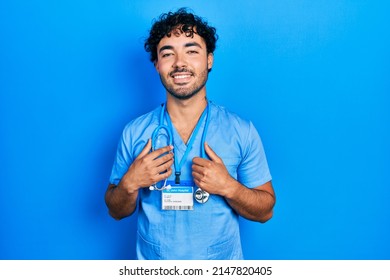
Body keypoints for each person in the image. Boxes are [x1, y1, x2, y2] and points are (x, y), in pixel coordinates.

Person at [105, 8, 276, 260]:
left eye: (191, 51)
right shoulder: (135, 132)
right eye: (167, 53)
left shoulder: (241, 131)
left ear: (209, 60)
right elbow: (115, 210)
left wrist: (229, 187)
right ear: (157, 65)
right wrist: (130, 183)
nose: (179, 63)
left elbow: (265, 211)